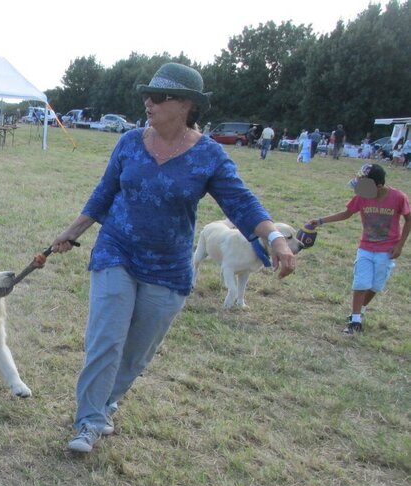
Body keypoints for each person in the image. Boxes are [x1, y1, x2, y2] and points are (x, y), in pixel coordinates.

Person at [49, 62, 296, 453]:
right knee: (106, 341)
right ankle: (88, 422)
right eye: (148, 94)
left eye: (160, 96)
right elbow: (104, 192)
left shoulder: (209, 155)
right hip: (117, 249)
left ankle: (106, 402)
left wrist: (277, 239)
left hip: (168, 267)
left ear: (186, 105)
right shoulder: (130, 142)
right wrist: (72, 232)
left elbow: (241, 203)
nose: (149, 102)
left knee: (136, 352)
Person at [307, 163, 410, 335]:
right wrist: (321, 220)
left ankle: (360, 309)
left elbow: (409, 219)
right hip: (366, 247)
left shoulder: (398, 197)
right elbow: (346, 213)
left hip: (387, 250)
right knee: (361, 282)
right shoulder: (362, 197)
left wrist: (400, 245)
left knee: (375, 285)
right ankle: (355, 321)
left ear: (378, 186)